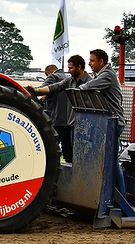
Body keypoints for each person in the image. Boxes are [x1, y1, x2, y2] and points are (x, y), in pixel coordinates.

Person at [29, 56, 91, 163]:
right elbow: (54, 87)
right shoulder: (69, 80)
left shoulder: (90, 82)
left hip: (84, 123)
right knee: (71, 152)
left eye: (71, 68)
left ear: (79, 67)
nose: (68, 70)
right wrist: (37, 90)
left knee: (81, 153)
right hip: (71, 122)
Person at [80, 49, 126, 194]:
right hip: (106, 123)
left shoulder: (107, 75)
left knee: (112, 163)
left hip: (114, 123)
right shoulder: (100, 74)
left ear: (101, 62)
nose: (89, 63)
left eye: (92, 60)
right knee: (107, 162)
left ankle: (120, 198)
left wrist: (79, 88)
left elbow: (87, 86)